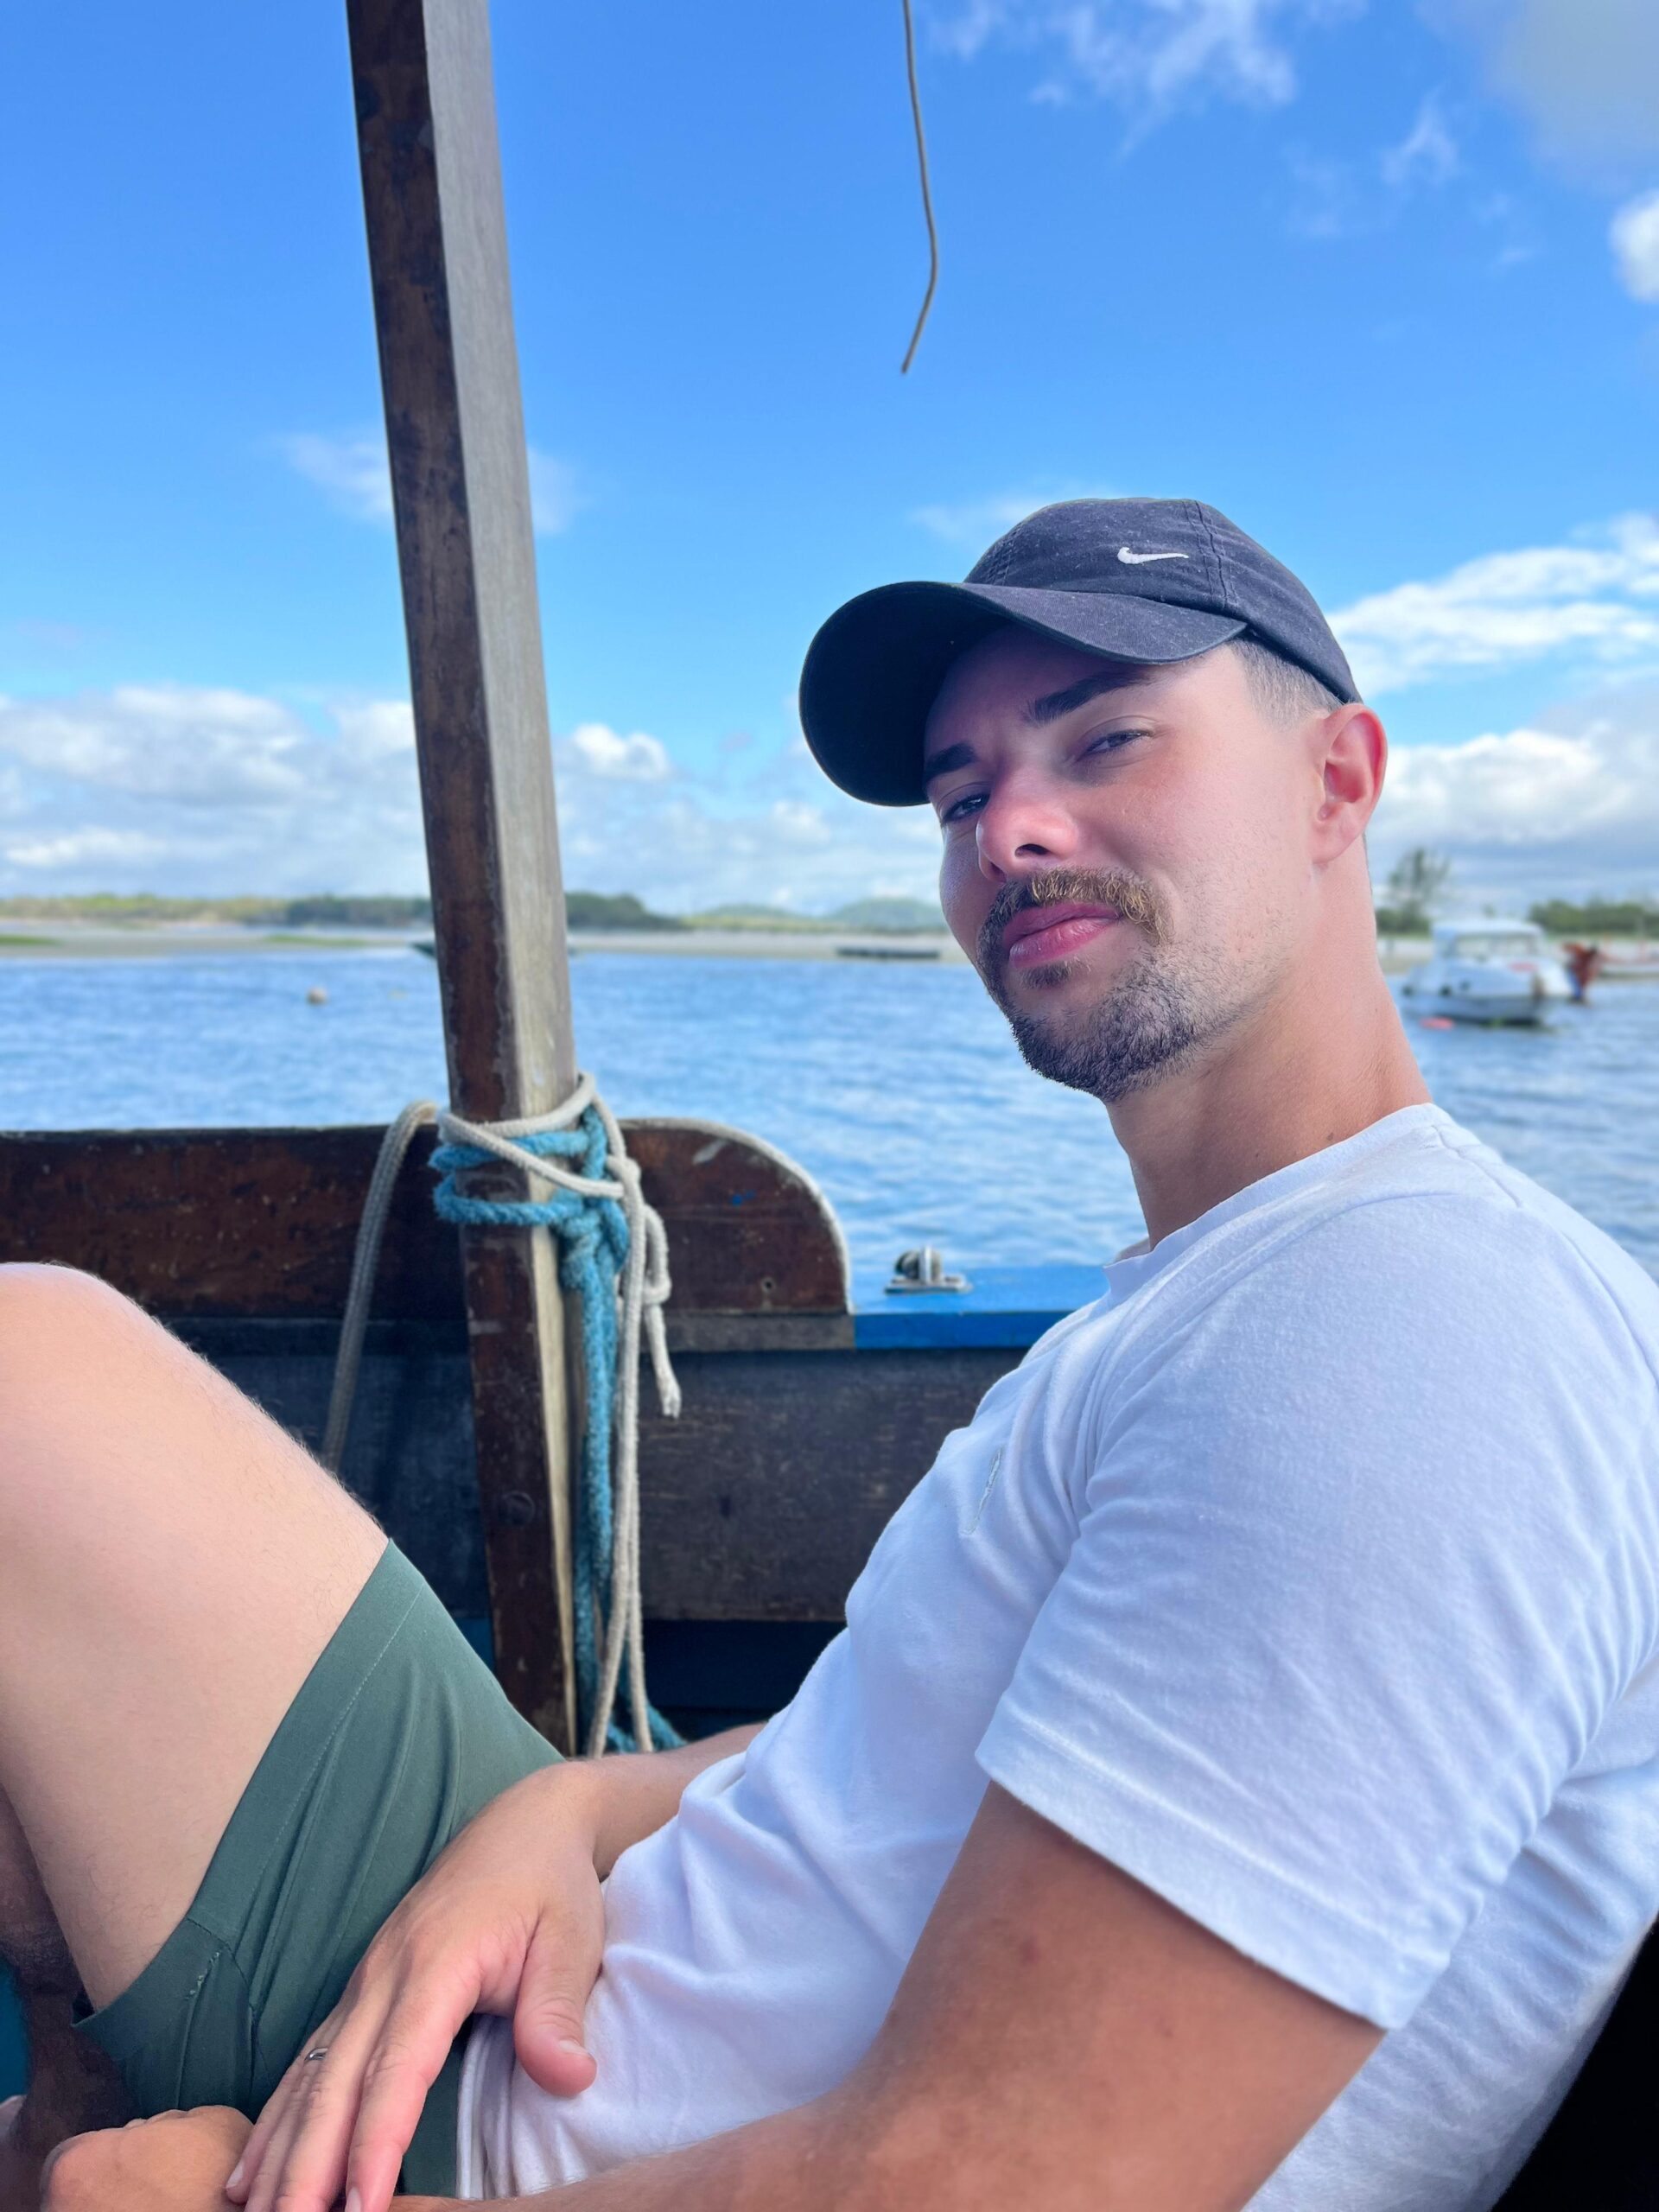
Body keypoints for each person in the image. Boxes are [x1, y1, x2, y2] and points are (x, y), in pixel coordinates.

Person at [6, 499, 1658, 2212]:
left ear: (1338, 782)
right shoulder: (1227, 1296)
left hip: (515, 2152)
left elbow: (999, 2184)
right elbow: (905, 1751)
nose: (1010, 828)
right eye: (959, 794)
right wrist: (564, 1813)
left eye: (1105, 738)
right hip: (570, 1970)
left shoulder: (1416, 1319)